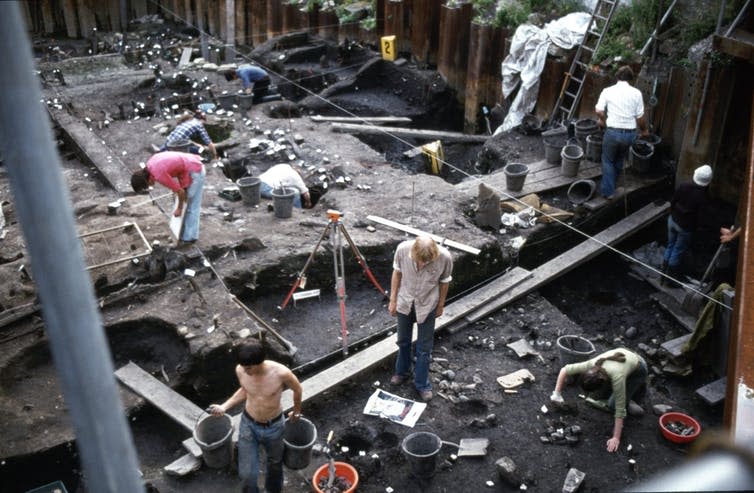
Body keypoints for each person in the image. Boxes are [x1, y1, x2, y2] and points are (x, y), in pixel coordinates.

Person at [208, 340, 303, 493]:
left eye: (249, 368)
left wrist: (297, 411)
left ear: (260, 362)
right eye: (243, 367)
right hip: (248, 424)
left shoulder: (281, 373)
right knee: (247, 473)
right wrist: (224, 406)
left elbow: (297, 389)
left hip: (274, 426)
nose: (245, 371)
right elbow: (246, 389)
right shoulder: (241, 370)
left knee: (274, 463)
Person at [388, 236, 453, 402]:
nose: (423, 264)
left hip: (427, 305)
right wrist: (393, 300)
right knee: (403, 341)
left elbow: (444, 283)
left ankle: (422, 384)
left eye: (427, 262)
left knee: (424, 348)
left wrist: (440, 306)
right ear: (414, 253)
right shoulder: (403, 250)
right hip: (405, 302)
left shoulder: (444, 257)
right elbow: (397, 274)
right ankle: (402, 372)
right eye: (420, 261)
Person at [550, 348, 648, 453]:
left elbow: (620, 411)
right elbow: (565, 369)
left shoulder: (617, 377)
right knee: (595, 396)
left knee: (613, 405)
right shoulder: (592, 364)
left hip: (638, 368)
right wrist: (557, 394)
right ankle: (620, 392)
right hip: (623, 359)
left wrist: (616, 437)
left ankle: (631, 395)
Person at [595, 65, 649, 199]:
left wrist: (603, 120)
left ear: (617, 77)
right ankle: (613, 181)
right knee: (620, 158)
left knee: (607, 160)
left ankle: (608, 192)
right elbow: (640, 118)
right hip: (630, 134)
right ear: (631, 78)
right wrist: (644, 130)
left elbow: (599, 110)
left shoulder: (608, 91)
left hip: (613, 132)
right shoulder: (637, 93)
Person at [131, 151, 206, 245]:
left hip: (195, 170)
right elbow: (176, 168)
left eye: (147, 186)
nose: (150, 186)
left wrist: (179, 208)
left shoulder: (158, 174)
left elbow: (180, 192)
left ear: (146, 180)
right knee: (186, 200)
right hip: (189, 165)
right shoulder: (150, 165)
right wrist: (177, 190)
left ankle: (190, 238)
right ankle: (185, 234)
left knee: (192, 205)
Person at [662, 164, 713, 285]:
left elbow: (673, 201)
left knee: (670, 245)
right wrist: (699, 229)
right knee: (678, 250)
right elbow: (701, 219)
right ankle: (670, 278)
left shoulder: (683, 186)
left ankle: (663, 271)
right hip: (685, 228)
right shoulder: (702, 197)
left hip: (672, 220)